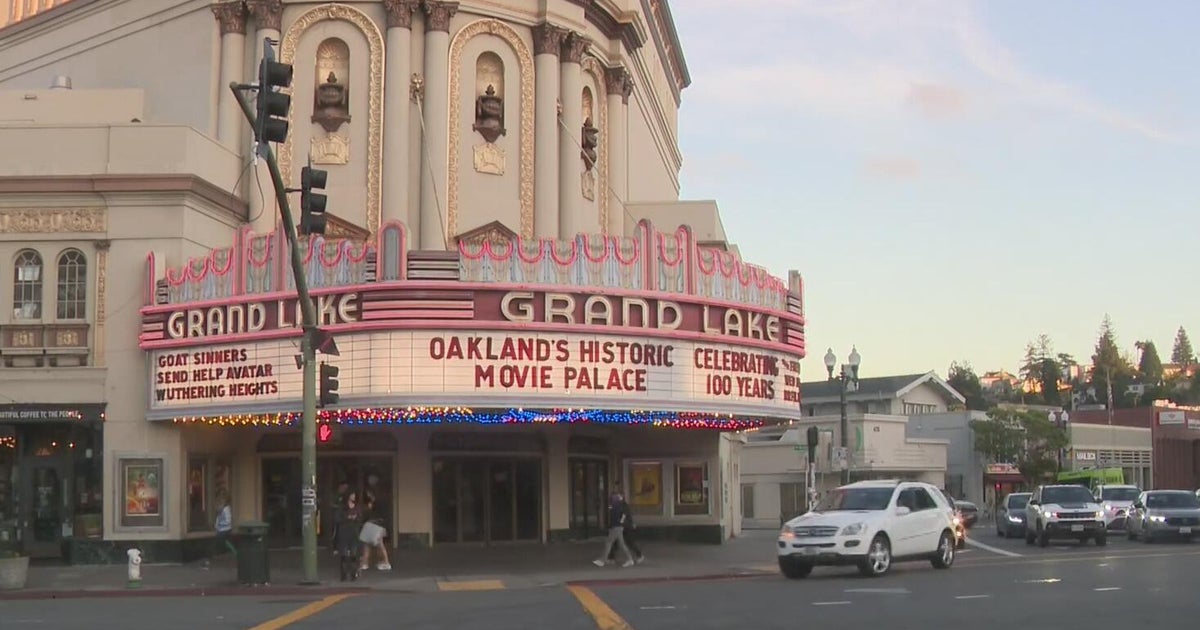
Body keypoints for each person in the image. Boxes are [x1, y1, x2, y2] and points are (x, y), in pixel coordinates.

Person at [593, 491, 635, 568]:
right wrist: (621, 523)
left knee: (609, 543)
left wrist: (618, 523)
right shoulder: (618, 505)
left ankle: (602, 560)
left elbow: (617, 516)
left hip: (616, 527)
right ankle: (629, 559)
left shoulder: (615, 506)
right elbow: (622, 515)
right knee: (621, 544)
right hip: (617, 527)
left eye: (612, 498)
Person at [359, 490, 392, 571]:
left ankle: (384, 562)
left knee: (376, 544)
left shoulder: (377, 502)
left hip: (375, 524)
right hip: (378, 524)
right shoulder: (383, 502)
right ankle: (366, 562)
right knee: (375, 544)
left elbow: (370, 510)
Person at [333, 492, 363, 582]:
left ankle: (353, 574)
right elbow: (337, 519)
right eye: (351, 495)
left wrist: (355, 519)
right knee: (344, 555)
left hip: (354, 533)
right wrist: (347, 518)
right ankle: (343, 575)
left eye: (354, 495)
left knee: (353, 555)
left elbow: (360, 519)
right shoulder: (341, 508)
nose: (353, 497)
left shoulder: (357, 508)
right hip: (344, 533)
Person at [213, 493, 236, 559]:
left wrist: (220, 525)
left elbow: (228, 521)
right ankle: (226, 552)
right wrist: (216, 526)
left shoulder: (226, 510)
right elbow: (218, 519)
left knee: (223, 540)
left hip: (225, 529)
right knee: (221, 541)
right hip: (221, 529)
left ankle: (233, 551)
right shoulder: (221, 511)